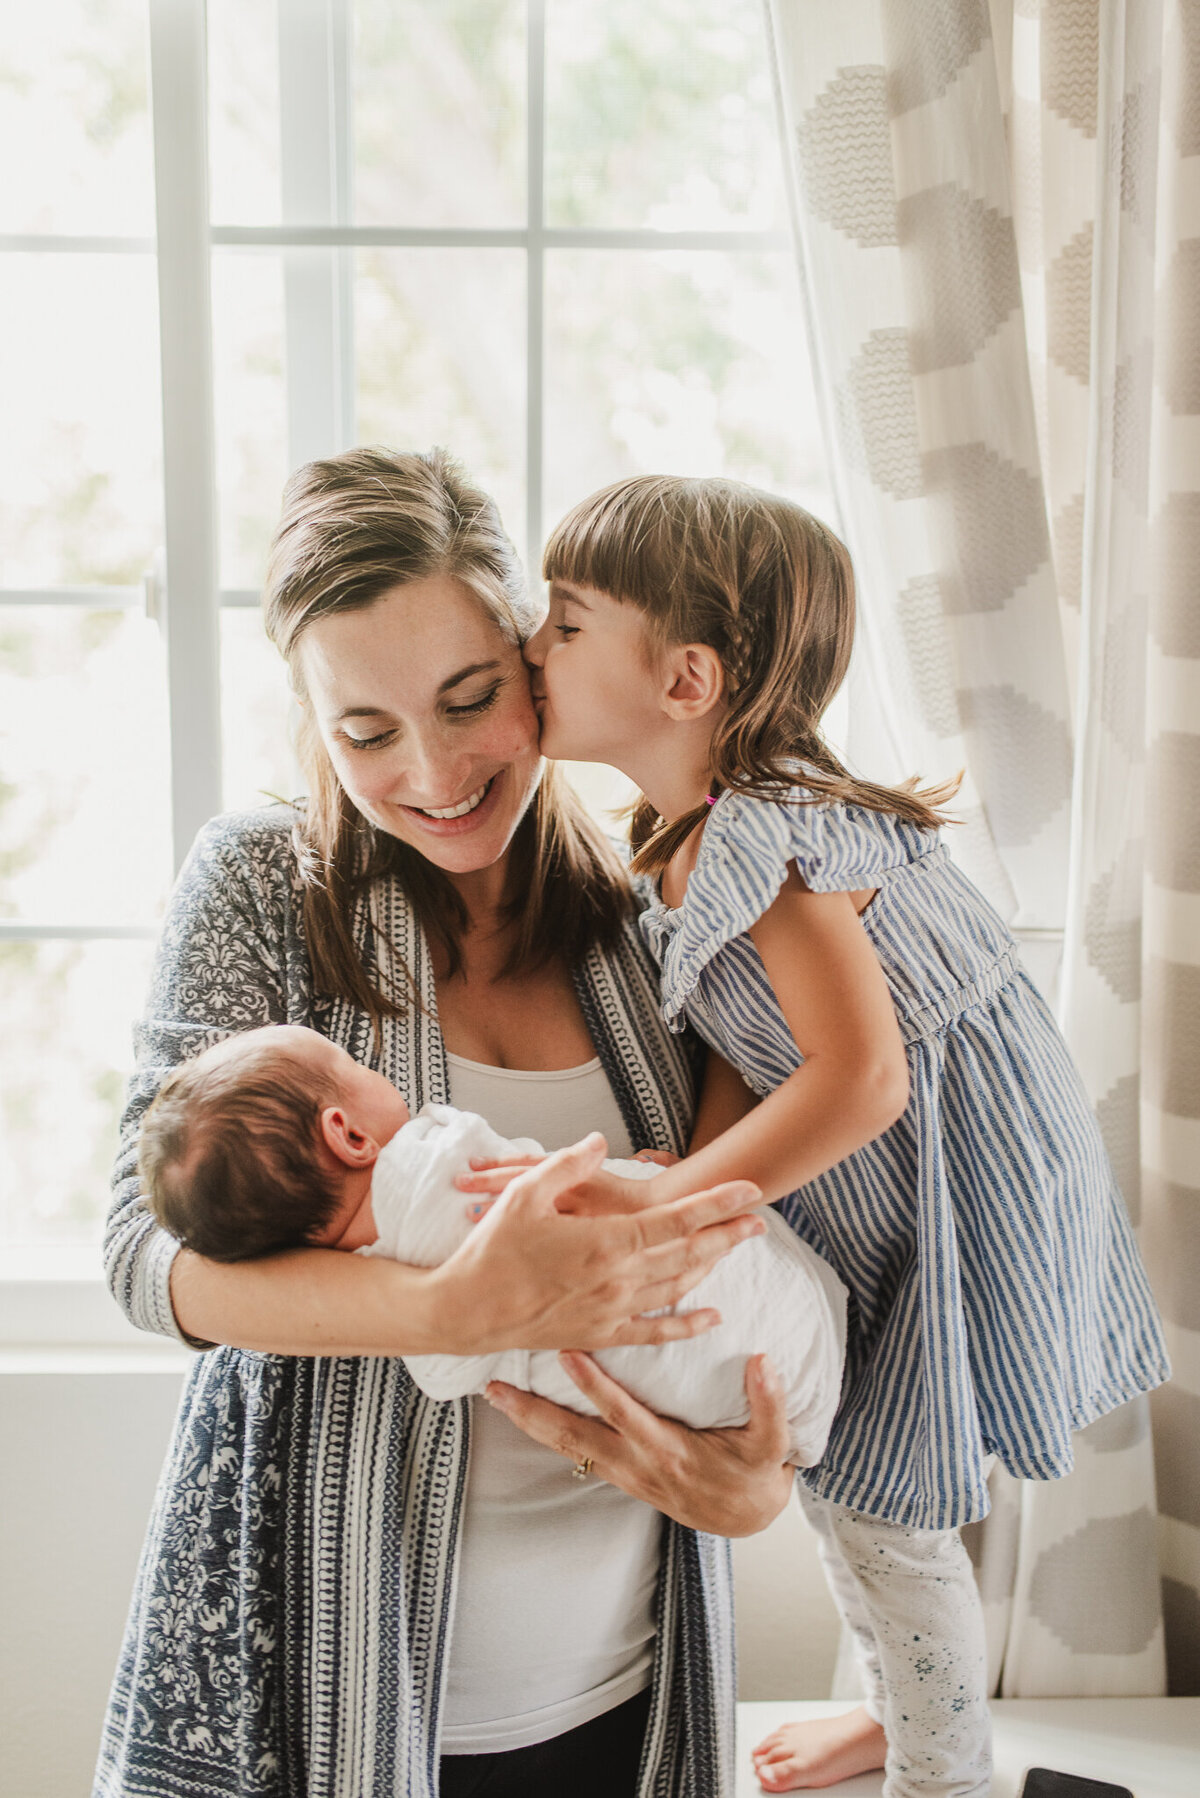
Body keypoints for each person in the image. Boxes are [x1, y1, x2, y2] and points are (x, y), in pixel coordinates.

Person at [94, 448, 797, 1798]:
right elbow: (142, 1252)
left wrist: (753, 1488)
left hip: (625, 1680)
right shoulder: (260, 884)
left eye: (471, 697)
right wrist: (451, 1314)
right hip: (318, 1698)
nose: (433, 767)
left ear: (536, 655)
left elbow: (749, 1242)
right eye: (366, 731)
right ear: (310, 719)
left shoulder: (662, 907)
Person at [490, 472, 1171, 1798]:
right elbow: (760, 1049)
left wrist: (673, 1204)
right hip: (896, 1187)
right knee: (858, 1457)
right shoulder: (694, 833)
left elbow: (861, 1079)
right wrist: (690, 1180)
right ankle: (896, 1708)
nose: (532, 646)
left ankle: (944, 1771)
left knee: (876, 1492)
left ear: (685, 680)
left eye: (566, 623)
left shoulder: (782, 839)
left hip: (951, 1188)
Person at [137, 1022, 847, 1460]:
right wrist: (640, 1177)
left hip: (723, 1405)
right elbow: (556, 1180)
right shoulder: (431, 1154)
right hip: (772, 1298)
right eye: (356, 1069)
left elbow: (452, 1376)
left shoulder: (373, 1299)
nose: (376, 1072)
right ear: (348, 1134)